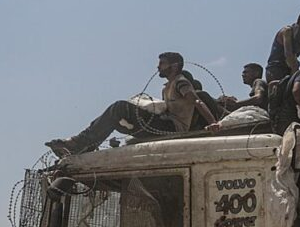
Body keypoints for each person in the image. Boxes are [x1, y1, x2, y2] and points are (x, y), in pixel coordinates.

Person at [47, 52, 217, 156]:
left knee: (120, 107)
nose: (158, 67)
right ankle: (83, 146)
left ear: (174, 66)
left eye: (162, 64)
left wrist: (214, 123)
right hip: (164, 123)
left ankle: (77, 142)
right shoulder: (167, 87)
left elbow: (196, 100)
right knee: (114, 119)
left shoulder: (181, 82)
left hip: (172, 127)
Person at [265, 9, 300, 85]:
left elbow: (294, 57)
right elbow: (288, 54)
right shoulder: (287, 31)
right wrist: (294, 74)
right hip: (276, 69)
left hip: (288, 70)